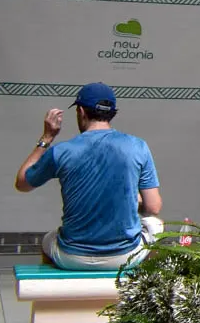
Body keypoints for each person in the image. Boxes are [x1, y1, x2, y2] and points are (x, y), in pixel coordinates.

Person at [14, 82, 163, 271]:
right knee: (155, 224)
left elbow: (22, 183)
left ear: (81, 111)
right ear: (112, 113)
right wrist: (133, 199)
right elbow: (153, 207)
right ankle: (143, 292)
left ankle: (55, 295)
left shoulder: (61, 151)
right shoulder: (138, 146)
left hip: (71, 257)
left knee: (48, 240)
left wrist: (47, 138)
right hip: (125, 257)